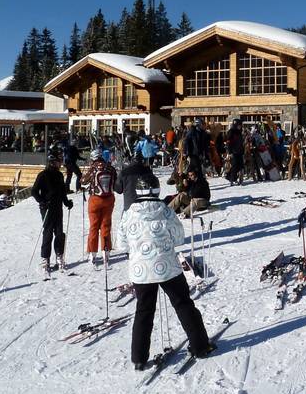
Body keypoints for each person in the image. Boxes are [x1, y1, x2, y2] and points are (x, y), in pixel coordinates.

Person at [116, 193, 212, 370]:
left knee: (143, 311)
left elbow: (122, 244)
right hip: (167, 267)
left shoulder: (128, 214)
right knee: (183, 304)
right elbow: (178, 237)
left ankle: (139, 357)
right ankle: (200, 345)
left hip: (141, 271)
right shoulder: (166, 211)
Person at [31, 153, 74, 275]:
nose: (61, 163)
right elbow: (34, 191)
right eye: (59, 161)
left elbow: (62, 192)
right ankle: (45, 260)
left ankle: (59, 257)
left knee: (59, 233)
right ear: (52, 162)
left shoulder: (59, 175)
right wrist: (42, 201)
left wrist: (67, 202)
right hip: (47, 208)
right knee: (48, 233)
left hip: (58, 207)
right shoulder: (43, 175)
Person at [81, 149, 118, 267]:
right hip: (109, 199)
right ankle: (106, 252)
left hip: (95, 200)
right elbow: (115, 181)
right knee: (106, 225)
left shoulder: (93, 169)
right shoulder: (110, 168)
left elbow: (83, 181)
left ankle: (92, 253)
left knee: (94, 226)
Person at [225, 119, 245, 185]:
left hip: (240, 151)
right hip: (233, 152)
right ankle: (231, 179)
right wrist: (229, 152)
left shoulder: (239, 132)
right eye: (239, 125)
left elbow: (241, 143)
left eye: (240, 125)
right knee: (235, 166)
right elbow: (228, 142)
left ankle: (238, 179)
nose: (240, 126)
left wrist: (243, 150)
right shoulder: (231, 132)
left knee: (241, 166)